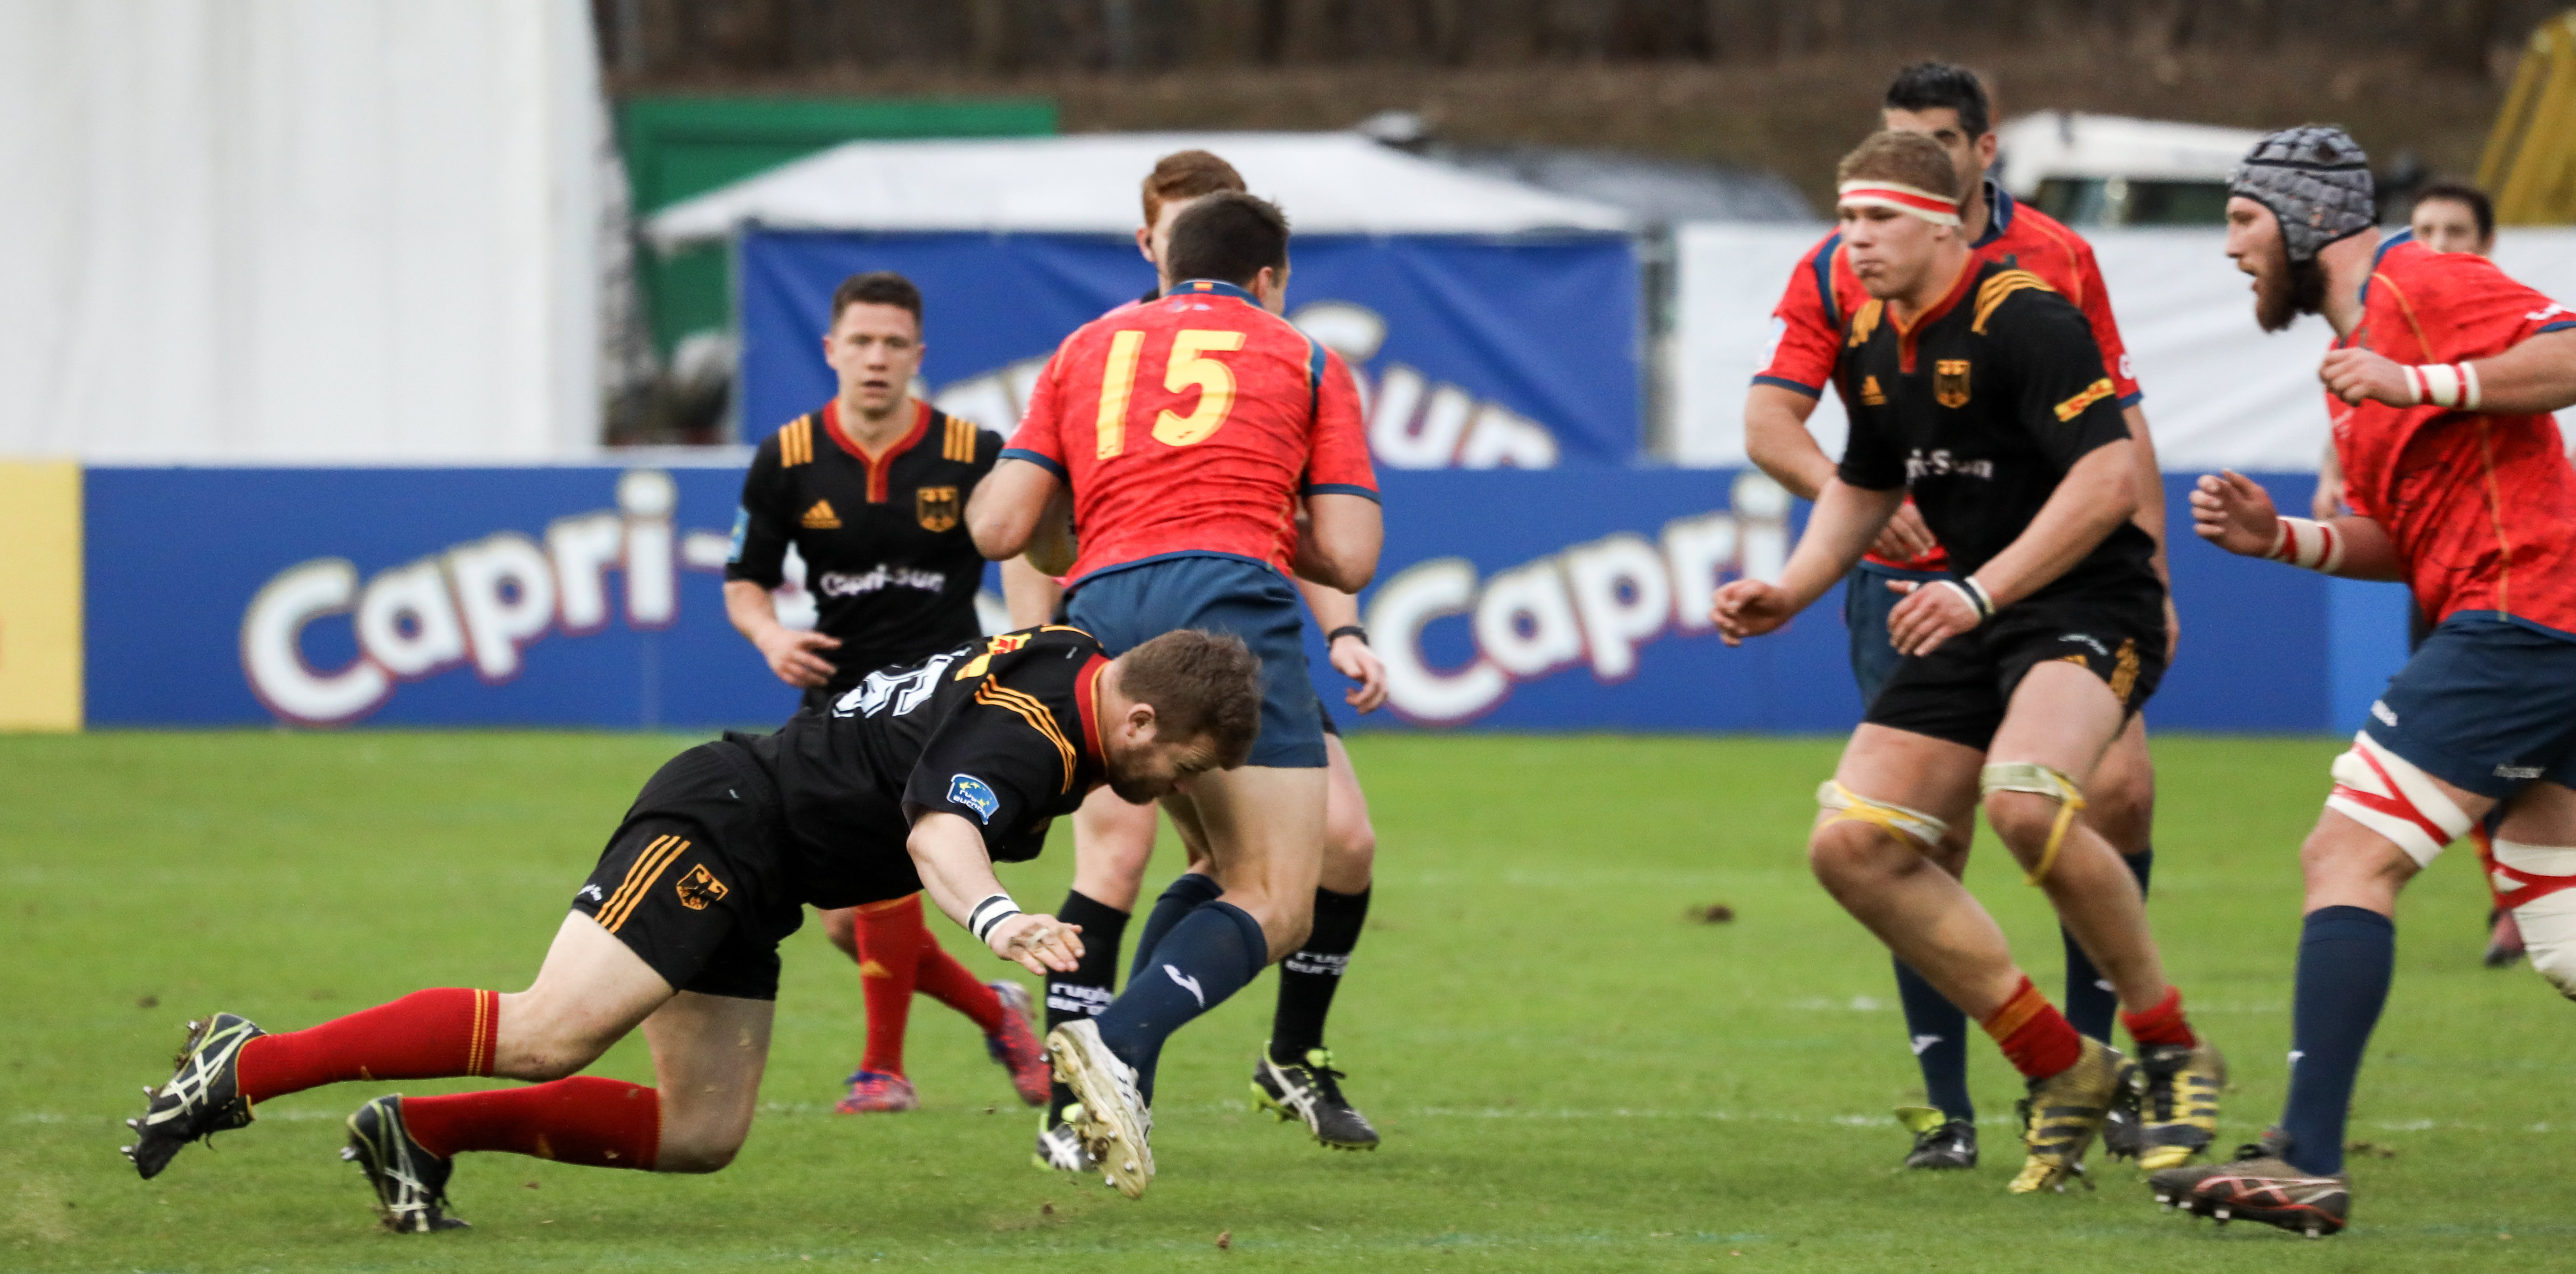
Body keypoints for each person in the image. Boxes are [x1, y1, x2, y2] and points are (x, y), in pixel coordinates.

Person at [122, 628, 1263, 1234]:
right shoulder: (1032, 736)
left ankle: (417, 1133)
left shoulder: (1077, 653)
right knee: (549, 1031)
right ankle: (245, 1062)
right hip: (725, 822)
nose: (1174, 787)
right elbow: (938, 835)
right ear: (1139, 718)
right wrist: (1001, 918)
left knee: (699, 1131)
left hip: (770, 871)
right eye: (1182, 765)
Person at [1713, 130, 2220, 1198]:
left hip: (2086, 602)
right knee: (1852, 846)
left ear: (1945, 224)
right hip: (1972, 612)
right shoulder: (1870, 332)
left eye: (1880, 218)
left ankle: (2169, 1045)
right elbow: (1865, 481)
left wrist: (1981, 590)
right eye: (1846, 218)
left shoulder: (2026, 316)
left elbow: (2107, 480)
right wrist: (1790, 590)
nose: (1855, 241)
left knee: (2026, 800)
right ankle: (2061, 1063)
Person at [2158, 126, 2576, 1238]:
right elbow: (2406, 538)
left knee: (2344, 856)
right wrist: (2281, 539)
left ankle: (2305, 1155)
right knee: (2564, 933)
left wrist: (2419, 378)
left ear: (2306, 220)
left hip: (2521, 618)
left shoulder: (2419, 281)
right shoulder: (2349, 366)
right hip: (2534, 624)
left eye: (2243, 220)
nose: (2232, 248)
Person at [968, 190, 1383, 1199]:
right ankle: (1112, 1043)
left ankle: (1113, 1087)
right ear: (1270, 278)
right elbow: (1351, 554)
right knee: (1279, 901)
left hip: (1104, 616)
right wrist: (1251, 509)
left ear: (1163, 260)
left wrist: (1111, 510)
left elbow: (1000, 528)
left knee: (1209, 861)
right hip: (1227, 604)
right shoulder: (1305, 356)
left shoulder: (1083, 348)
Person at [722, 270, 1050, 1116]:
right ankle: (997, 1011)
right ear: (831, 350)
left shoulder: (971, 452)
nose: (877, 358)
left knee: (888, 877)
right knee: (842, 920)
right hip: (837, 702)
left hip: (942, 701)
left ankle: (882, 1070)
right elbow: (745, 579)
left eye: (894, 344)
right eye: (861, 342)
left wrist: (1028, 643)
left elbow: (1024, 546)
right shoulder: (789, 456)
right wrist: (771, 637)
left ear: (918, 355)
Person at [2308, 181, 2529, 971]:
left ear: (2487, 244)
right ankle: (2510, 898)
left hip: (2527, 584)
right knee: (2472, 748)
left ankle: (2528, 898)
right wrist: (2329, 478)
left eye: (2455, 230)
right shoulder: (2382, 327)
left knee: (2515, 753)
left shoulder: (2506, 323)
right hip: (2447, 579)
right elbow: (2357, 416)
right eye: (2424, 228)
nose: (2435, 243)